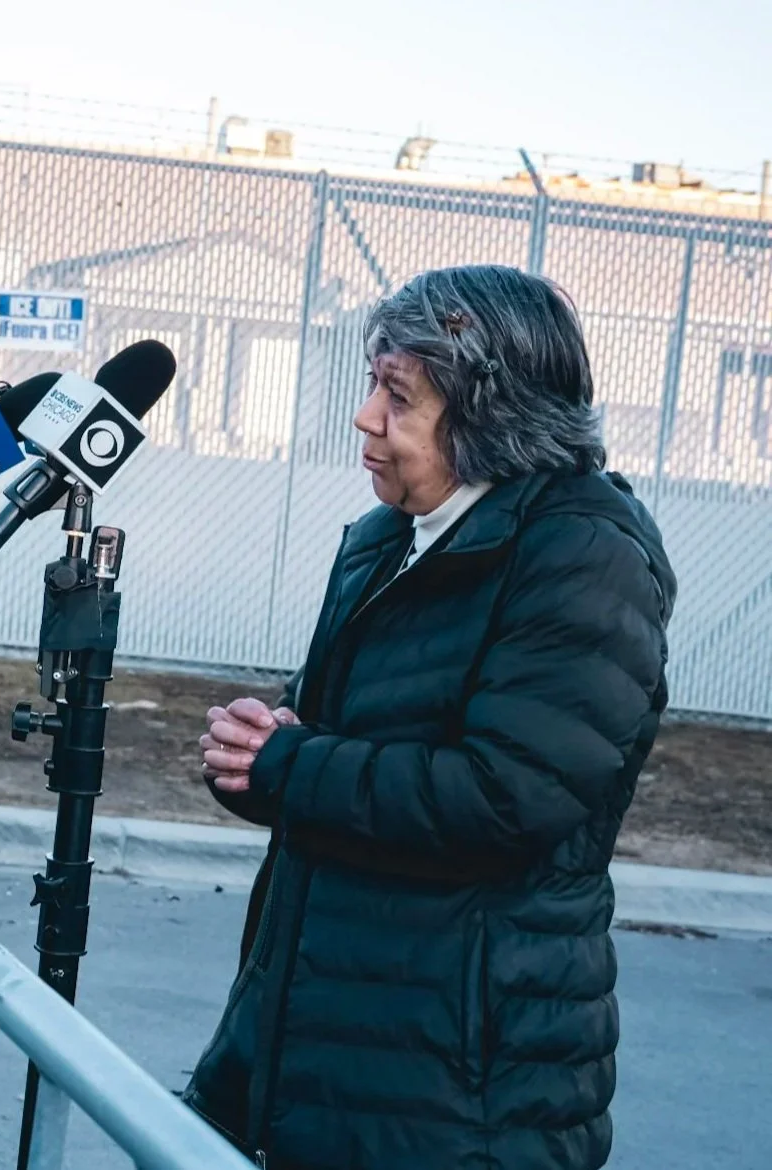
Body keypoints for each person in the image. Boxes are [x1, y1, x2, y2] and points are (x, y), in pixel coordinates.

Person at [185, 265, 677, 1170]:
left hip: (459, 1095)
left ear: (490, 416)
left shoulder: (581, 556)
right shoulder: (388, 536)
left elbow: (506, 798)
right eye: (373, 384)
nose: (367, 417)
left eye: (398, 395)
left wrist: (288, 766)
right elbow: (328, 741)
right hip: (310, 1048)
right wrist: (250, 760)